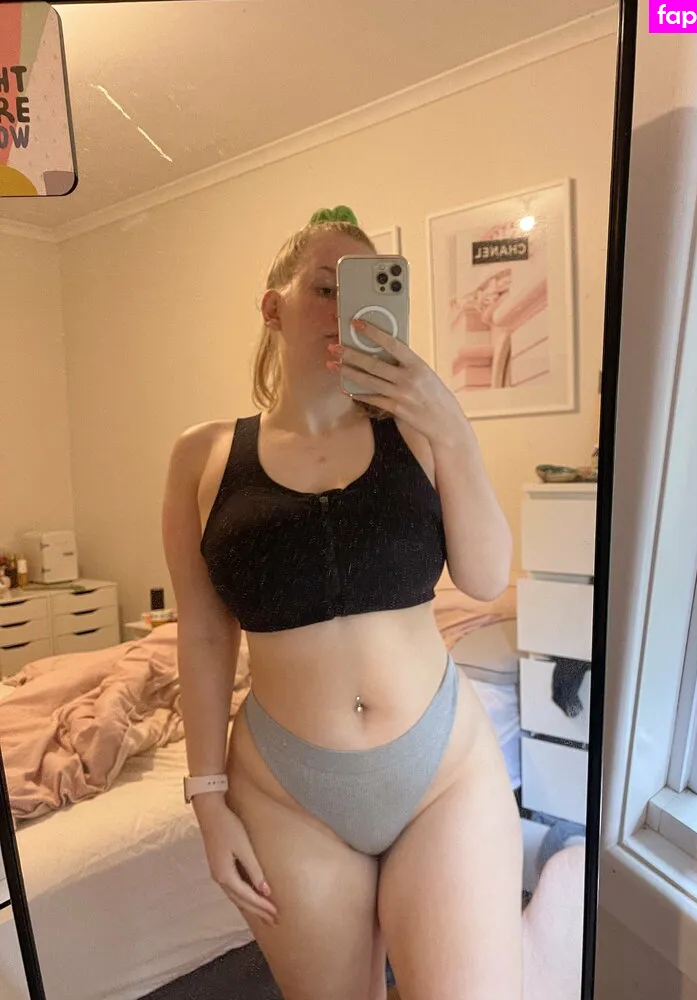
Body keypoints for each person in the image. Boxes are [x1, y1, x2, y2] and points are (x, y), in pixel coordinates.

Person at [161, 206, 523, 1000]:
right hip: (286, 796)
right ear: (273, 307)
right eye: (325, 288)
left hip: (442, 776)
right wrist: (207, 799)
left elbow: (487, 576)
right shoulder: (204, 457)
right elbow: (205, 635)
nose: (345, 308)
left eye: (366, 289)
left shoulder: (419, 431)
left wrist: (453, 428)